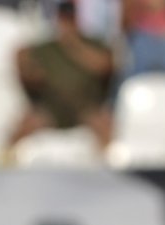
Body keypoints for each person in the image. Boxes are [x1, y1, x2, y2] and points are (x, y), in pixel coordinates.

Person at [12, 1, 113, 147]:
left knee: (104, 125)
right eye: (64, 19)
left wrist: (74, 45)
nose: (67, 23)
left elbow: (104, 65)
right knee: (24, 126)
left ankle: (111, 165)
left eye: (70, 19)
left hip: (85, 106)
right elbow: (26, 68)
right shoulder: (47, 48)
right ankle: (6, 161)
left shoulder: (92, 43)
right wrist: (28, 68)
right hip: (53, 107)